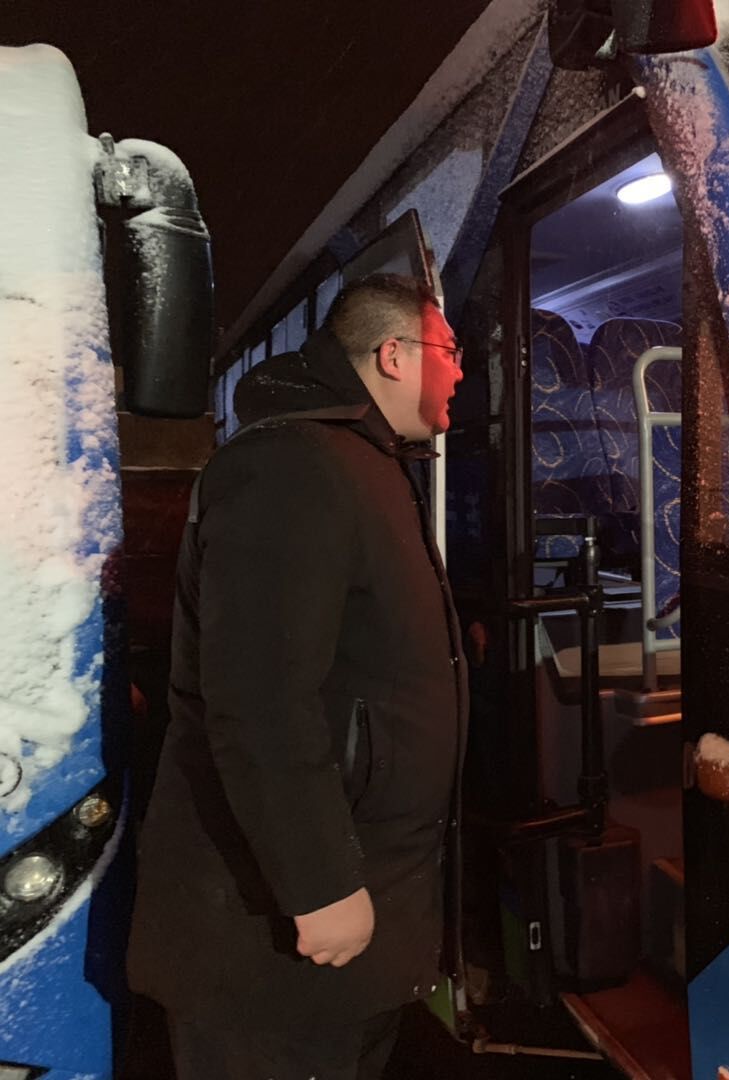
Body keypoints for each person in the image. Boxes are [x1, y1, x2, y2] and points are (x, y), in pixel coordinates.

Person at [128, 273, 467, 1080]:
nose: (460, 371)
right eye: (450, 351)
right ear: (394, 355)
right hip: (271, 952)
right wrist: (319, 885)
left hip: (343, 936)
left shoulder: (362, 463)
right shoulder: (292, 465)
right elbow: (258, 697)